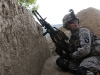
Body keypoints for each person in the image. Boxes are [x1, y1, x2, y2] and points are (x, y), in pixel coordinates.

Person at [56, 9, 100, 75]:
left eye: (76, 20)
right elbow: (72, 52)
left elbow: (85, 50)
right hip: (84, 58)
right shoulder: (72, 39)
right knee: (60, 61)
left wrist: (72, 56)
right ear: (67, 25)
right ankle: (92, 69)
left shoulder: (83, 31)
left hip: (95, 57)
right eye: (72, 22)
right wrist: (62, 53)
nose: (75, 22)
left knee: (82, 70)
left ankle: (90, 69)